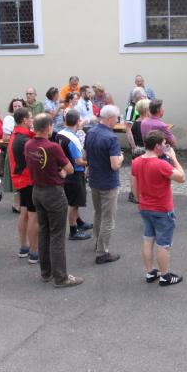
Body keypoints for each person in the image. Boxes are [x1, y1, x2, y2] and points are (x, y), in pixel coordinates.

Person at [24, 113, 85, 288]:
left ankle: (46, 272)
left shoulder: (28, 145)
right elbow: (70, 168)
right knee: (57, 235)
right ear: (49, 127)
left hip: (37, 191)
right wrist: (63, 172)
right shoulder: (52, 147)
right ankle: (61, 277)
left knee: (44, 232)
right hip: (53, 192)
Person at [130, 130, 186, 286]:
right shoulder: (161, 164)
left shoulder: (136, 162)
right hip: (162, 209)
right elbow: (182, 177)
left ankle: (150, 272)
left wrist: (141, 201)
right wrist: (173, 157)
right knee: (163, 244)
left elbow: (134, 187)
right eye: (163, 144)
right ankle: (165, 276)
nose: (165, 146)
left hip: (145, 208)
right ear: (157, 146)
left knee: (148, 240)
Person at [84, 105, 124, 264]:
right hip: (108, 182)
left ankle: (97, 243)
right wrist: (121, 157)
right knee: (108, 218)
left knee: (98, 213)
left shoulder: (91, 132)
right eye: (116, 118)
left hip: (94, 180)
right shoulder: (111, 138)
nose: (117, 120)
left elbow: (85, 155)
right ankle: (102, 252)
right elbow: (115, 165)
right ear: (109, 118)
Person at [8, 107, 39, 264]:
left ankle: (24, 247)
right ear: (25, 120)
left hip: (20, 179)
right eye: (31, 118)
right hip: (27, 179)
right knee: (33, 215)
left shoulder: (17, 135)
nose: (32, 120)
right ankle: (34, 252)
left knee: (25, 211)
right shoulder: (23, 139)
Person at [56, 109, 93, 240]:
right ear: (78, 121)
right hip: (74, 173)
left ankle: (79, 222)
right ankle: (73, 230)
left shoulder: (59, 134)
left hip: (64, 171)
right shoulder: (73, 139)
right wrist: (91, 163)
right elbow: (78, 161)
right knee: (74, 203)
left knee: (73, 200)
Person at [2, 98, 26, 213]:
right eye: (15, 106)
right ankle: (16, 204)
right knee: (17, 176)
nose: (17, 108)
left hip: (22, 150)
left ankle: (20, 203)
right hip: (14, 150)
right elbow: (5, 138)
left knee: (22, 176)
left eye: (19, 106)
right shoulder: (9, 119)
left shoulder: (25, 119)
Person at [127, 98, 151, 204]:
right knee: (145, 174)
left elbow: (129, 133)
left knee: (135, 173)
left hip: (137, 149)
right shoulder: (147, 123)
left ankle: (133, 194)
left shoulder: (135, 123)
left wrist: (133, 147)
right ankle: (142, 194)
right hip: (145, 150)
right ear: (146, 110)